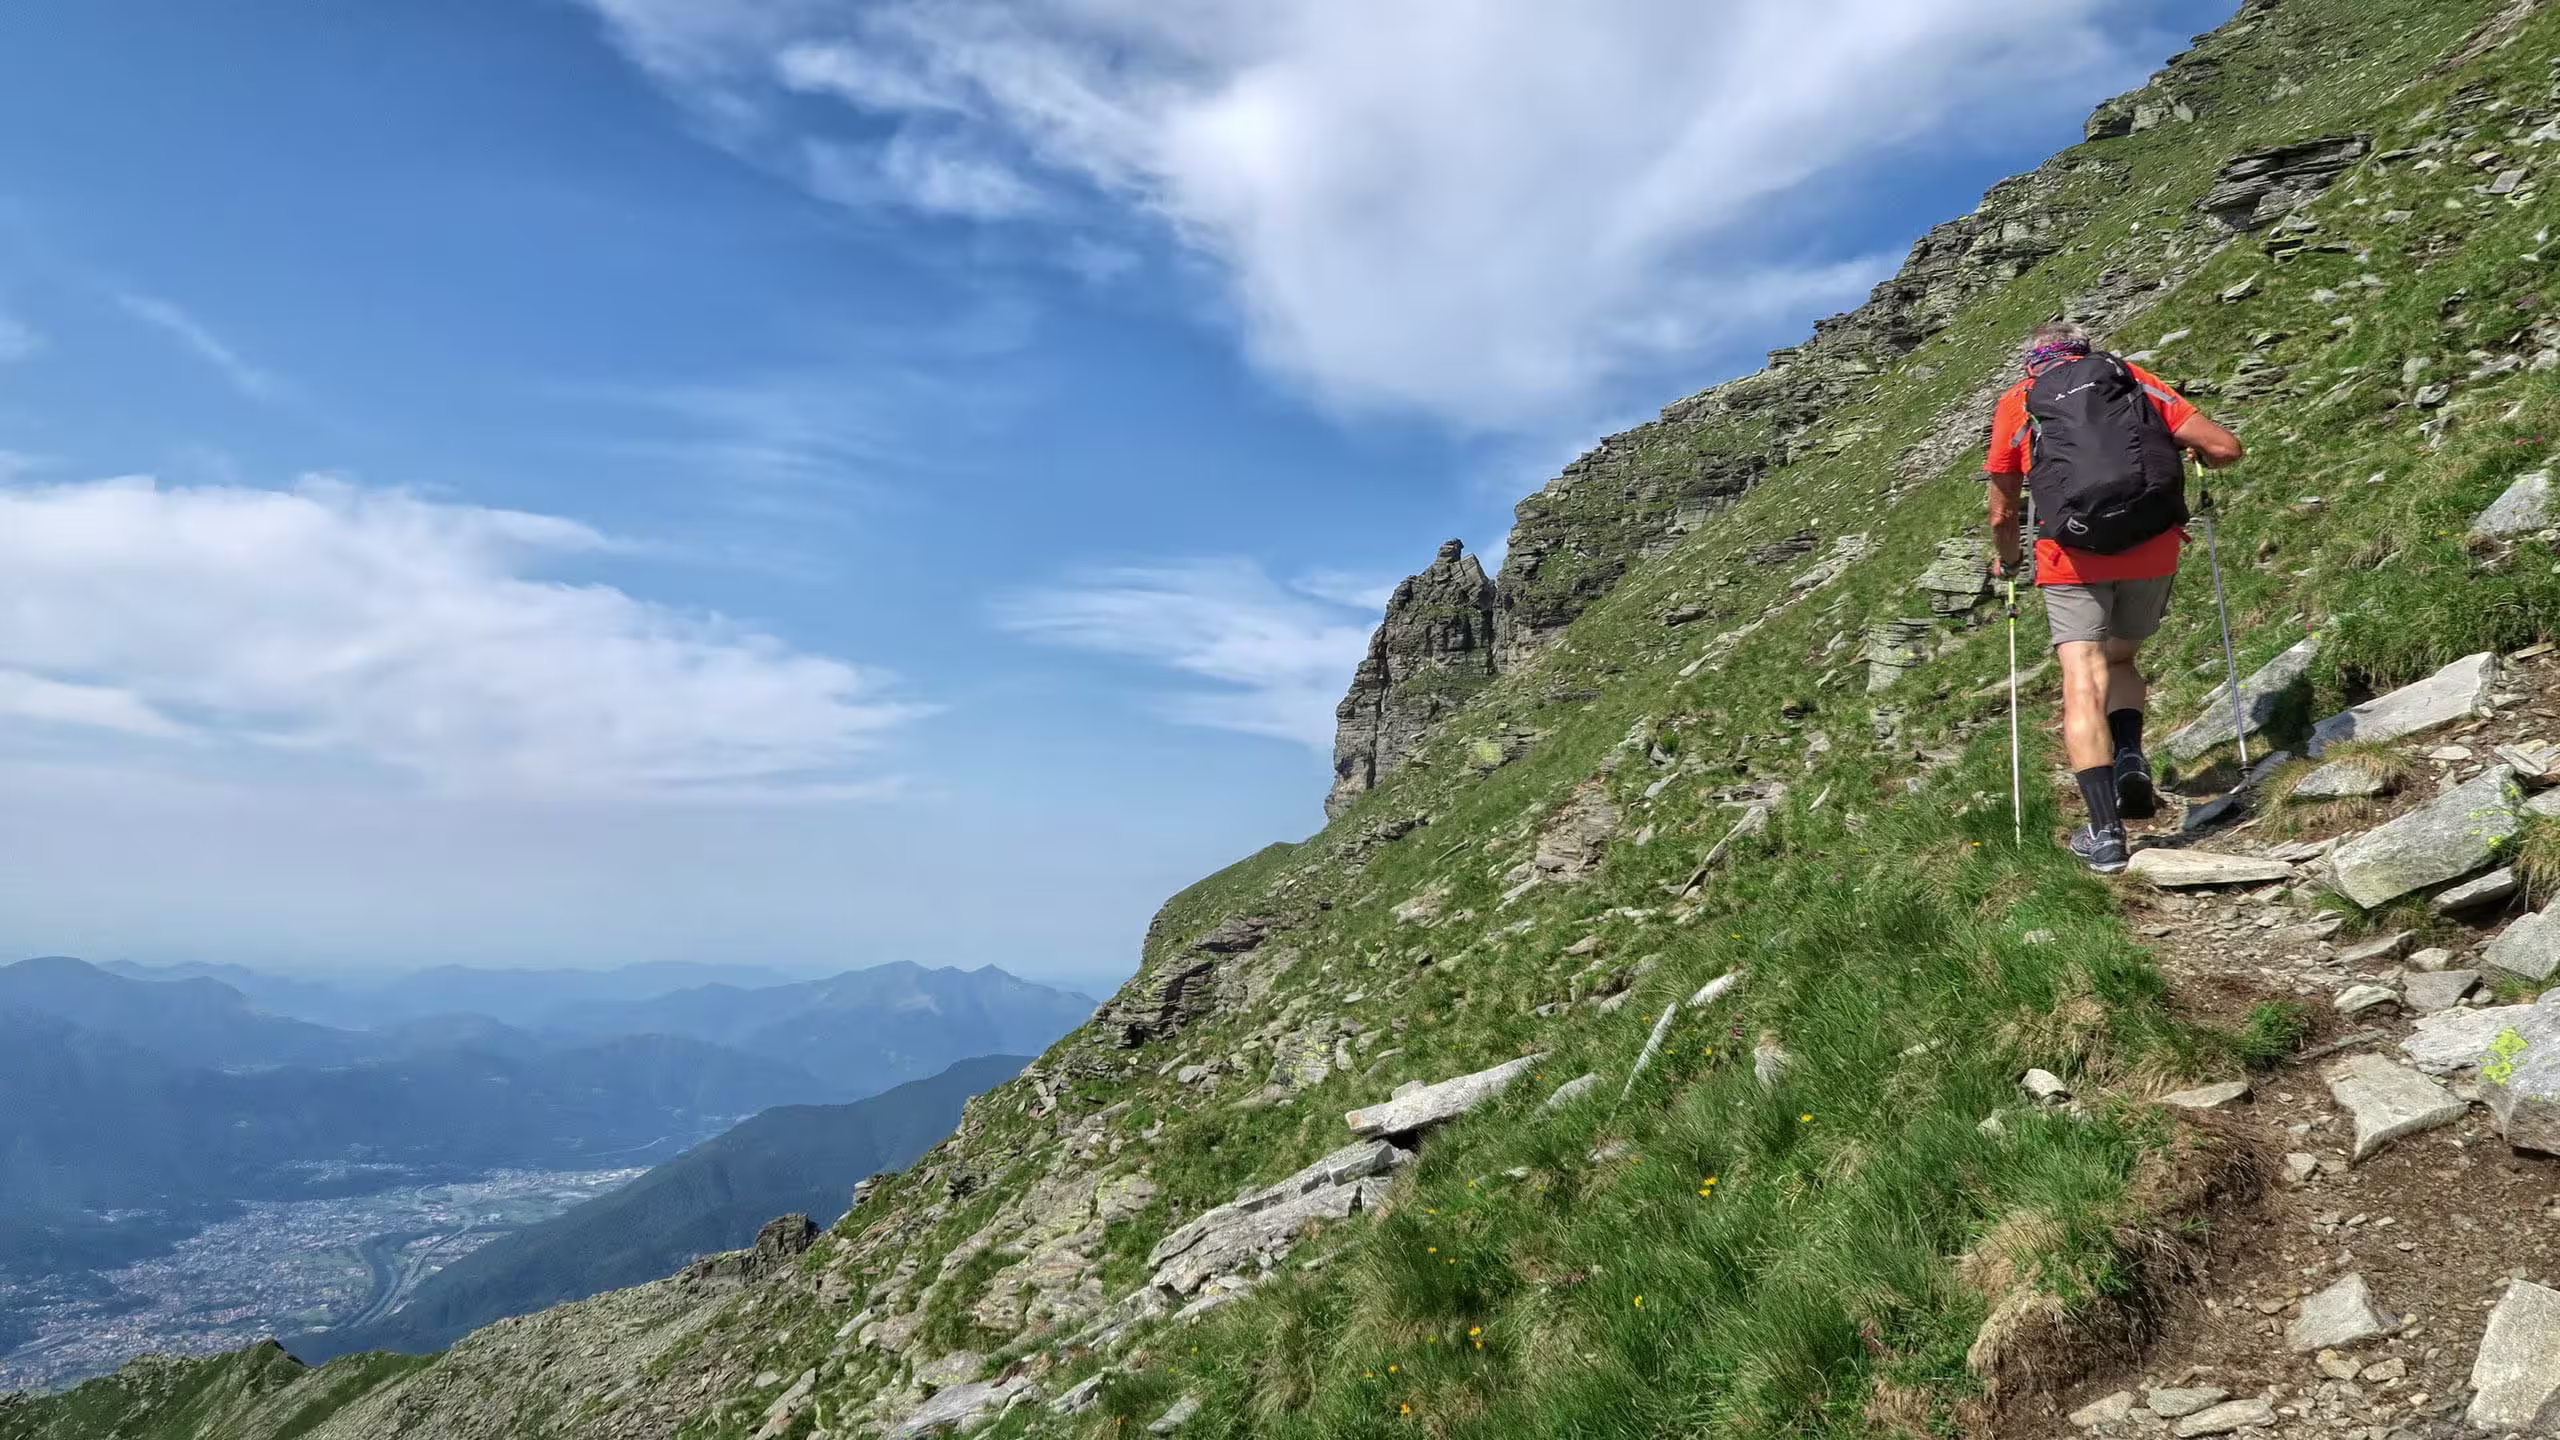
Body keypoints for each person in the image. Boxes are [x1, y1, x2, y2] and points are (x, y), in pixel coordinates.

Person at [1985, 320, 2244, 873]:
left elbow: (2003, 513)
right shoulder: (2129, 376)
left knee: (2082, 678)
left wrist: (2008, 561)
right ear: (2084, 349)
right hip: (2152, 547)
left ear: (2032, 360)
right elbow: (2225, 448)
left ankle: (2105, 835)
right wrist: (2197, 460)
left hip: (2070, 555)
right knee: (2121, 658)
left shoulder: (2018, 402)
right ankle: (2128, 753)